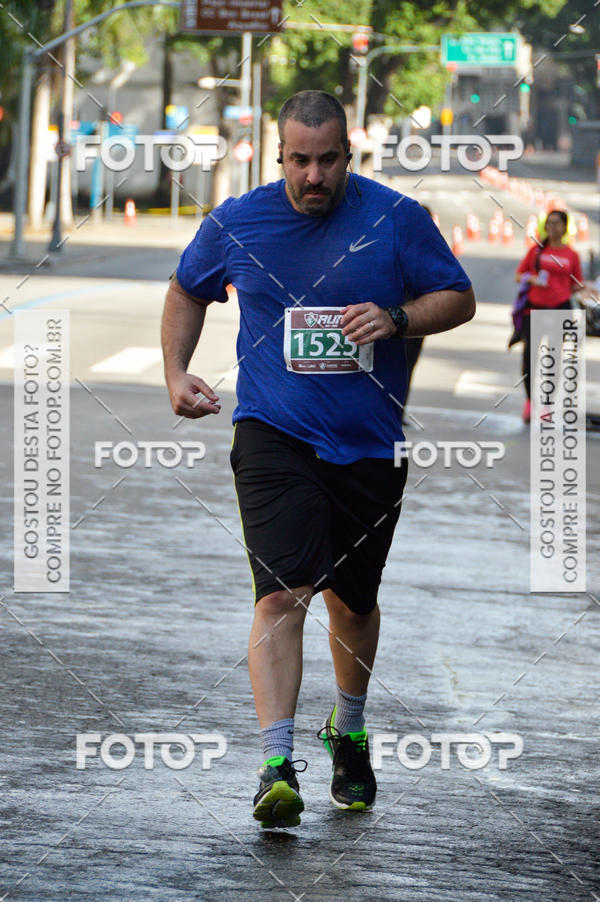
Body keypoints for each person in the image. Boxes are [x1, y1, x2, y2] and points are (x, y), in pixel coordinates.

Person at [161, 90, 475, 829]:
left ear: (347, 156)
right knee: (280, 594)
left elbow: (457, 297)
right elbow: (185, 290)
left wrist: (396, 318)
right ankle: (276, 763)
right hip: (274, 434)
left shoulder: (396, 218)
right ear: (279, 156)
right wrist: (176, 373)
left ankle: (351, 731)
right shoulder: (238, 222)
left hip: (369, 441)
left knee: (352, 602)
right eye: (299, 160)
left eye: (327, 160)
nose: (313, 175)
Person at [515, 209, 583, 423]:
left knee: (552, 359)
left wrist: (589, 290)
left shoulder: (572, 255)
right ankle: (529, 402)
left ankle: (547, 404)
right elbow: (519, 275)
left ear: (564, 227)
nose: (552, 228)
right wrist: (531, 280)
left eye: (556, 224)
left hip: (559, 309)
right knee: (529, 358)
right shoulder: (536, 251)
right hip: (534, 308)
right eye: (549, 224)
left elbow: (576, 284)